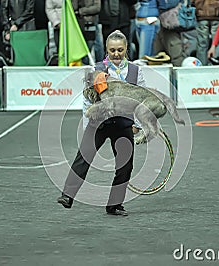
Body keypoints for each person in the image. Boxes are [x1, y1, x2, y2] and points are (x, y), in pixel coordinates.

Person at [57, 30, 146, 216]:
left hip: (123, 123)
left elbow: (141, 99)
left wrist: (138, 123)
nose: (116, 54)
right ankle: (67, 195)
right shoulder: (96, 70)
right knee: (83, 158)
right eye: (112, 50)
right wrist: (86, 125)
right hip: (98, 122)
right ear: (106, 50)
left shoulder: (136, 71)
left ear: (126, 49)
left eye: (120, 50)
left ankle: (114, 205)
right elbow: (87, 100)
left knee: (125, 166)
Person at [194, 0, 219, 66]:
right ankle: (217, 64)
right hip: (217, 13)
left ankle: (201, 67)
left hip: (201, 13)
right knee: (217, 43)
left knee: (202, 44)